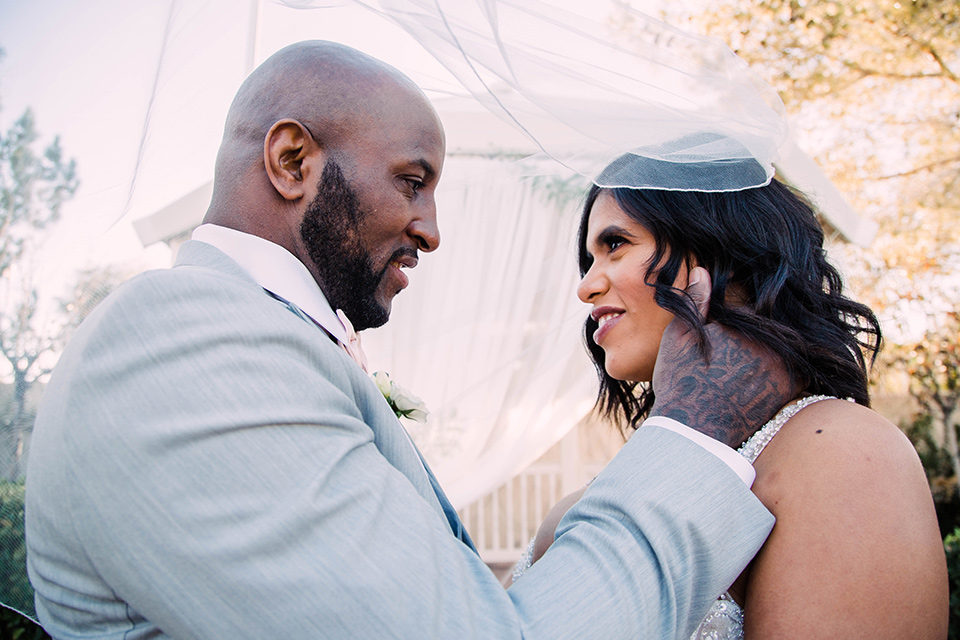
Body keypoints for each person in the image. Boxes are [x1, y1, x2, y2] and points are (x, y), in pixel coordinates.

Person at [25, 41, 791, 639]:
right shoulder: (185, 343)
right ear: (293, 161)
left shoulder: (249, 338)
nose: (430, 229)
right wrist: (696, 430)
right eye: (411, 180)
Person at [512, 152, 949, 638]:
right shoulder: (599, 497)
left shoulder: (842, 452)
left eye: (616, 244)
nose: (587, 286)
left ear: (721, 250)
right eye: (589, 259)